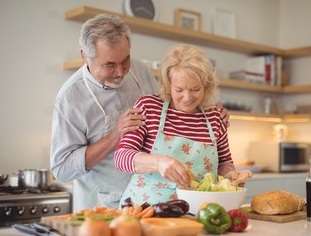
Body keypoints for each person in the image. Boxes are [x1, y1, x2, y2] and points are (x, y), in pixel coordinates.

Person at [50, 14, 229, 212]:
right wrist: (115, 135)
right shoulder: (70, 99)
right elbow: (62, 169)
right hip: (104, 203)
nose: (121, 71)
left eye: (125, 60)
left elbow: (172, 106)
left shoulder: (139, 69)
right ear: (85, 56)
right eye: (110, 65)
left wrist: (208, 109)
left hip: (162, 202)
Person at [114, 44, 253, 206]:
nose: (187, 98)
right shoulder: (149, 107)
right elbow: (121, 157)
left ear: (206, 86)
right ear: (168, 85)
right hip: (146, 211)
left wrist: (230, 176)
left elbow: (224, 162)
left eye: (195, 89)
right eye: (179, 90)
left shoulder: (215, 116)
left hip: (197, 211)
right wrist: (158, 162)